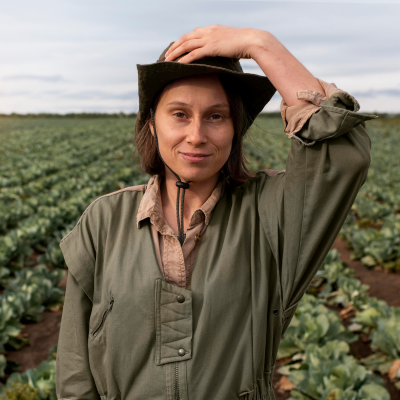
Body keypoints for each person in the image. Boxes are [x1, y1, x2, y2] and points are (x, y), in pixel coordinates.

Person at [55, 25, 377, 400]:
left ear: (235, 128)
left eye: (216, 117)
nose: (196, 135)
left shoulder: (269, 214)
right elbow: (75, 371)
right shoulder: (104, 220)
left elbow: (341, 156)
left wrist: (262, 45)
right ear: (151, 125)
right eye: (179, 114)